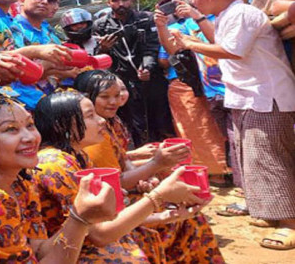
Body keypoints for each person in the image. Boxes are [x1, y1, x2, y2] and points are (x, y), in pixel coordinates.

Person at [172, 0, 295, 250]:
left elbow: (232, 50)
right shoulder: (228, 14)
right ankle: (270, 213)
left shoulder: (242, 13)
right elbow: (223, 43)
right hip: (248, 97)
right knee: (252, 161)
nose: (191, 2)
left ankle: (290, 223)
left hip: (266, 98)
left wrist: (192, 43)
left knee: (271, 161)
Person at [31, 90, 206, 263]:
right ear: (61, 125)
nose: (100, 121)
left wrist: (168, 215)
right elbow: (98, 233)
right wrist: (158, 195)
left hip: (94, 236)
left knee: (187, 221)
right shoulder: (55, 164)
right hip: (71, 250)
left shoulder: (79, 154)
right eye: (90, 116)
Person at [81, 71, 226, 263]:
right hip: (113, 210)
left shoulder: (110, 122)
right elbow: (117, 183)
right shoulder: (93, 135)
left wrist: (151, 171)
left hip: (123, 201)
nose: (114, 101)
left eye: (118, 94)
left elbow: (123, 164)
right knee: (186, 223)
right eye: (105, 97)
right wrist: (155, 166)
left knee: (189, 219)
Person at [0, 89, 117, 263]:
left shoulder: (23, 184)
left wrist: (81, 218)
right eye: (10, 129)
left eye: (30, 125)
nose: (29, 137)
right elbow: (99, 234)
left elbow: (40, 251)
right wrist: (79, 218)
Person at [154, 0, 230, 183]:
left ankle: (230, 171)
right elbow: (171, 51)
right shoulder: (183, 26)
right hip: (206, 88)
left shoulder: (225, 16)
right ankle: (221, 171)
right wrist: (161, 27)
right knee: (209, 130)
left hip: (235, 85)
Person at [93, 0, 174, 146]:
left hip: (151, 78)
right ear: (108, 2)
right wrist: (104, 48)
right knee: (132, 124)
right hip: (123, 82)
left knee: (161, 120)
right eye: (115, 0)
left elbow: (152, 47)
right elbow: (99, 58)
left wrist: (147, 67)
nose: (121, 4)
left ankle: (167, 157)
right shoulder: (101, 25)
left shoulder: (145, 18)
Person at [11, 0, 78, 109]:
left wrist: (69, 72)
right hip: (27, 105)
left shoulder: (51, 34)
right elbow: (12, 73)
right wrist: (49, 67)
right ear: (22, 0)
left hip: (58, 104)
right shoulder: (10, 30)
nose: (45, 1)